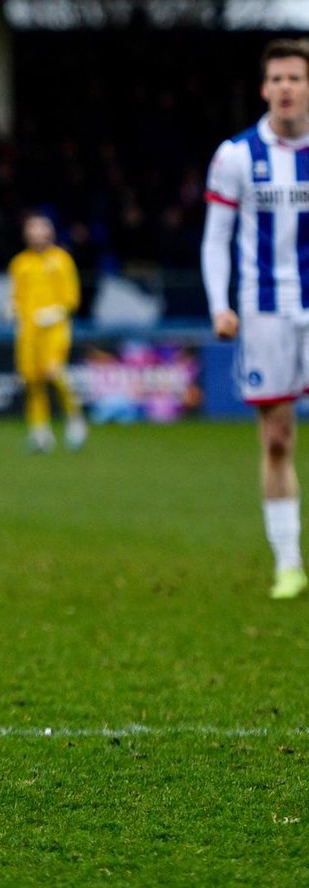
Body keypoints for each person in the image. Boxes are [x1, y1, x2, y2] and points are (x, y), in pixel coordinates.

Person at [201, 38, 309, 601]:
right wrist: (221, 303)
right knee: (276, 439)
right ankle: (289, 561)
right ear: (265, 88)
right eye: (277, 79)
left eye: (296, 77)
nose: (286, 88)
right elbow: (216, 239)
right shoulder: (237, 155)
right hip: (264, 314)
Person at [7, 213, 87, 452]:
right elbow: (17, 297)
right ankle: (39, 431)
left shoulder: (61, 260)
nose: (37, 235)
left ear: (49, 233)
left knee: (54, 373)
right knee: (32, 381)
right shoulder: (20, 263)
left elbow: (72, 298)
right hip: (28, 332)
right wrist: (11, 308)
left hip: (54, 329)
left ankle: (74, 419)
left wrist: (56, 311)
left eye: (41, 229)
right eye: (32, 230)